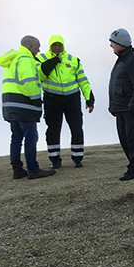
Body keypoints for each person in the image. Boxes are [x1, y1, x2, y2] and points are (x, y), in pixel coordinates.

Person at [0, 36, 55, 179]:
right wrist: (36, 100)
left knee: (16, 136)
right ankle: (33, 169)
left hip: (10, 103)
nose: (39, 51)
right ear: (30, 46)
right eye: (38, 47)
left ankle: (17, 169)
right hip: (23, 104)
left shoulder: (14, 58)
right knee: (31, 136)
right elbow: (29, 81)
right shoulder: (25, 59)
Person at [36, 34, 95, 168]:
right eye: (54, 45)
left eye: (59, 45)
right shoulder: (41, 58)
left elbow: (83, 81)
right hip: (52, 99)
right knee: (53, 130)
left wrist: (89, 98)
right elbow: (39, 75)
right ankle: (55, 159)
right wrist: (55, 61)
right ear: (50, 46)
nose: (57, 47)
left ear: (63, 45)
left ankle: (77, 158)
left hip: (72, 98)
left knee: (76, 128)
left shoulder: (74, 59)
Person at [108, 28, 134, 181]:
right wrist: (114, 107)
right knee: (124, 139)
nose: (111, 45)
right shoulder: (122, 59)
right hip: (121, 108)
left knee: (130, 138)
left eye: (113, 42)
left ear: (121, 43)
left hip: (131, 108)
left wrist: (133, 106)